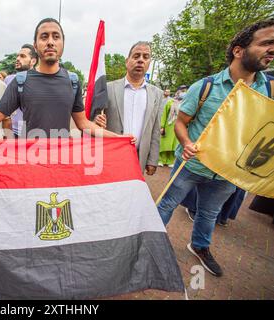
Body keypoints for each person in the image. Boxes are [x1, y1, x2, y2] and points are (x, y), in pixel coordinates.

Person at [157, 19, 274, 277]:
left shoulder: (268, 89)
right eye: (266, 43)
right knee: (166, 205)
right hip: (192, 165)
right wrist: (186, 143)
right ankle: (151, 245)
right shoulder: (206, 86)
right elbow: (181, 123)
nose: (271, 50)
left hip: (227, 174)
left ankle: (200, 246)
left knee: (209, 214)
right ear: (238, 50)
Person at [0, 18, 123, 149]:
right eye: (44, 37)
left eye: (56, 37)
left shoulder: (72, 81)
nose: (50, 42)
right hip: (30, 159)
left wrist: (119, 139)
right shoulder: (20, 82)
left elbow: (83, 123)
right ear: (35, 45)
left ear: (63, 43)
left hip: (63, 159)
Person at [94, 41, 165, 174]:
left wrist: (153, 160)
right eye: (136, 56)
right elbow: (92, 121)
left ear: (149, 63)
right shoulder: (108, 88)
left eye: (145, 57)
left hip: (138, 157)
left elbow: (155, 129)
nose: (140, 60)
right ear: (127, 61)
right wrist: (96, 121)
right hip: (111, 154)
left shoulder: (157, 94)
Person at [3, 44, 39, 138]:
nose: (18, 58)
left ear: (33, 61)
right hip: (13, 133)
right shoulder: (9, 79)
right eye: (17, 56)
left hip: (33, 134)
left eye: (22, 56)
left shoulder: (41, 82)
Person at [159, 86, 187, 167]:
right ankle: (161, 159)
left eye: (184, 91)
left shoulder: (185, 103)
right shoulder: (170, 102)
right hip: (168, 125)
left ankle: (170, 161)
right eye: (181, 91)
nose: (182, 93)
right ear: (177, 92)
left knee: (174, 145)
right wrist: (162, 126)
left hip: (178, 126)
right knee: (165, 144)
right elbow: (164, 115)